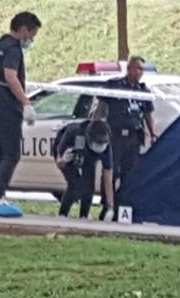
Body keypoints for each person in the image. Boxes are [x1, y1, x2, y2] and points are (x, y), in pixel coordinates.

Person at [0, 11, 41, 215]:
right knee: (12, 153)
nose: (31, 40)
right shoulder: (13, 49)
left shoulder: (0, 44)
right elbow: (10, 76)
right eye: (31, 35)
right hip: (6, 108)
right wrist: (26, 102)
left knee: (0, 154)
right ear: (23, 30)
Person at [97, 56, 157, 214]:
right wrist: (97, 126)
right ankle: (107, 204)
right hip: (115, 136)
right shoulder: (114, 85)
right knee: (111, 171)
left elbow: (148, 114)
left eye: (141, 69)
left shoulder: (143, 91)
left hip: (134, 137)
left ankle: (125, 206)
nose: (138, 72)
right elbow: (101, 107)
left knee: (129, 174)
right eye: (135, 68)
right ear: (128, 68)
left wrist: (152, 133)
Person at [54, 118, 114, 220]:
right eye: (97, 144)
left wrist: (110, 206)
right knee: (74, 185)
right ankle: (62, 214)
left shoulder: (106, 148)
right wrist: (64, 160)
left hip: (89, 158)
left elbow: (108, 176)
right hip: (69, 154)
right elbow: (59, 162)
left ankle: (83, 216)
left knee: (89, 187)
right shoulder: (73, 132)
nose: (99, 147)